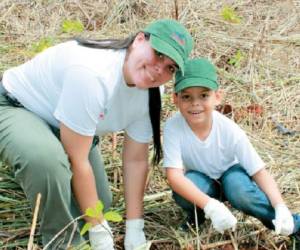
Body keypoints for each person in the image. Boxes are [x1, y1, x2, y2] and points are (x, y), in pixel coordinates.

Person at [0, 19, 193, 249]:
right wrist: (100, 233)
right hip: (18, 107)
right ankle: (65, 242)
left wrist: (135, 226)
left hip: (63, 125)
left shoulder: (152, 92)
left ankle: (42, 175)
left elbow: (135, 160)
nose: (159, 69)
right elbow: (78, 160)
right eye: (158, 54)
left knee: (100, 204)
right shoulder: (93, 75)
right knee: (47, 162)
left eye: (170, 67)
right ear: (139, 40)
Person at [163, 58, 300, 239]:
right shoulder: (173, 127)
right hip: (202, 181)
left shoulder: (229, 129)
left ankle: (293, 224)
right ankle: (199, 215)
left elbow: (259, 171)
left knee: (240, 191)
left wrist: (280, 205)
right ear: (175, 99)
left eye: (204, 95)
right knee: (185, 190)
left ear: (217, 97)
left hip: (231, 175)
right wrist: (210, 206)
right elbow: (174, 177)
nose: (195, 103)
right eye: (186, 96)